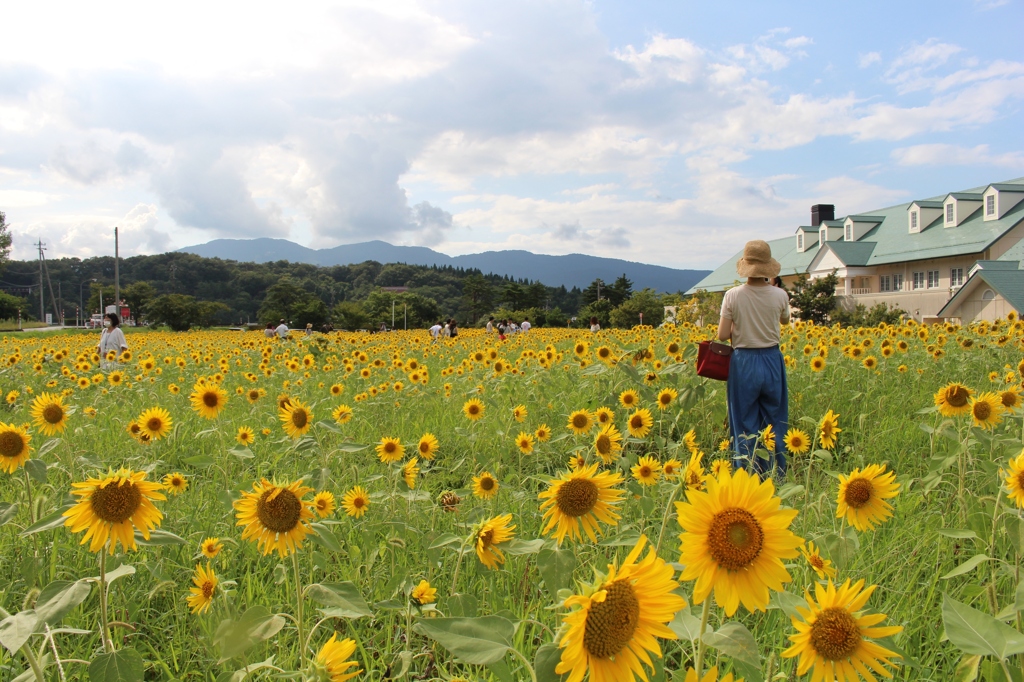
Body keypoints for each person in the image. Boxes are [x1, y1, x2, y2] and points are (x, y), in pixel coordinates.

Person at [718, 240, 791, 481]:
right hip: (772, 359)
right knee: (775, 420)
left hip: (744, 361)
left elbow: (722, 335)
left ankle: (747, 476)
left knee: (744, 422)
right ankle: (777, 476)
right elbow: (784, 321)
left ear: (745, 266)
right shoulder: (780, 295)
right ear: (768, 268)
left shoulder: (732, 296)